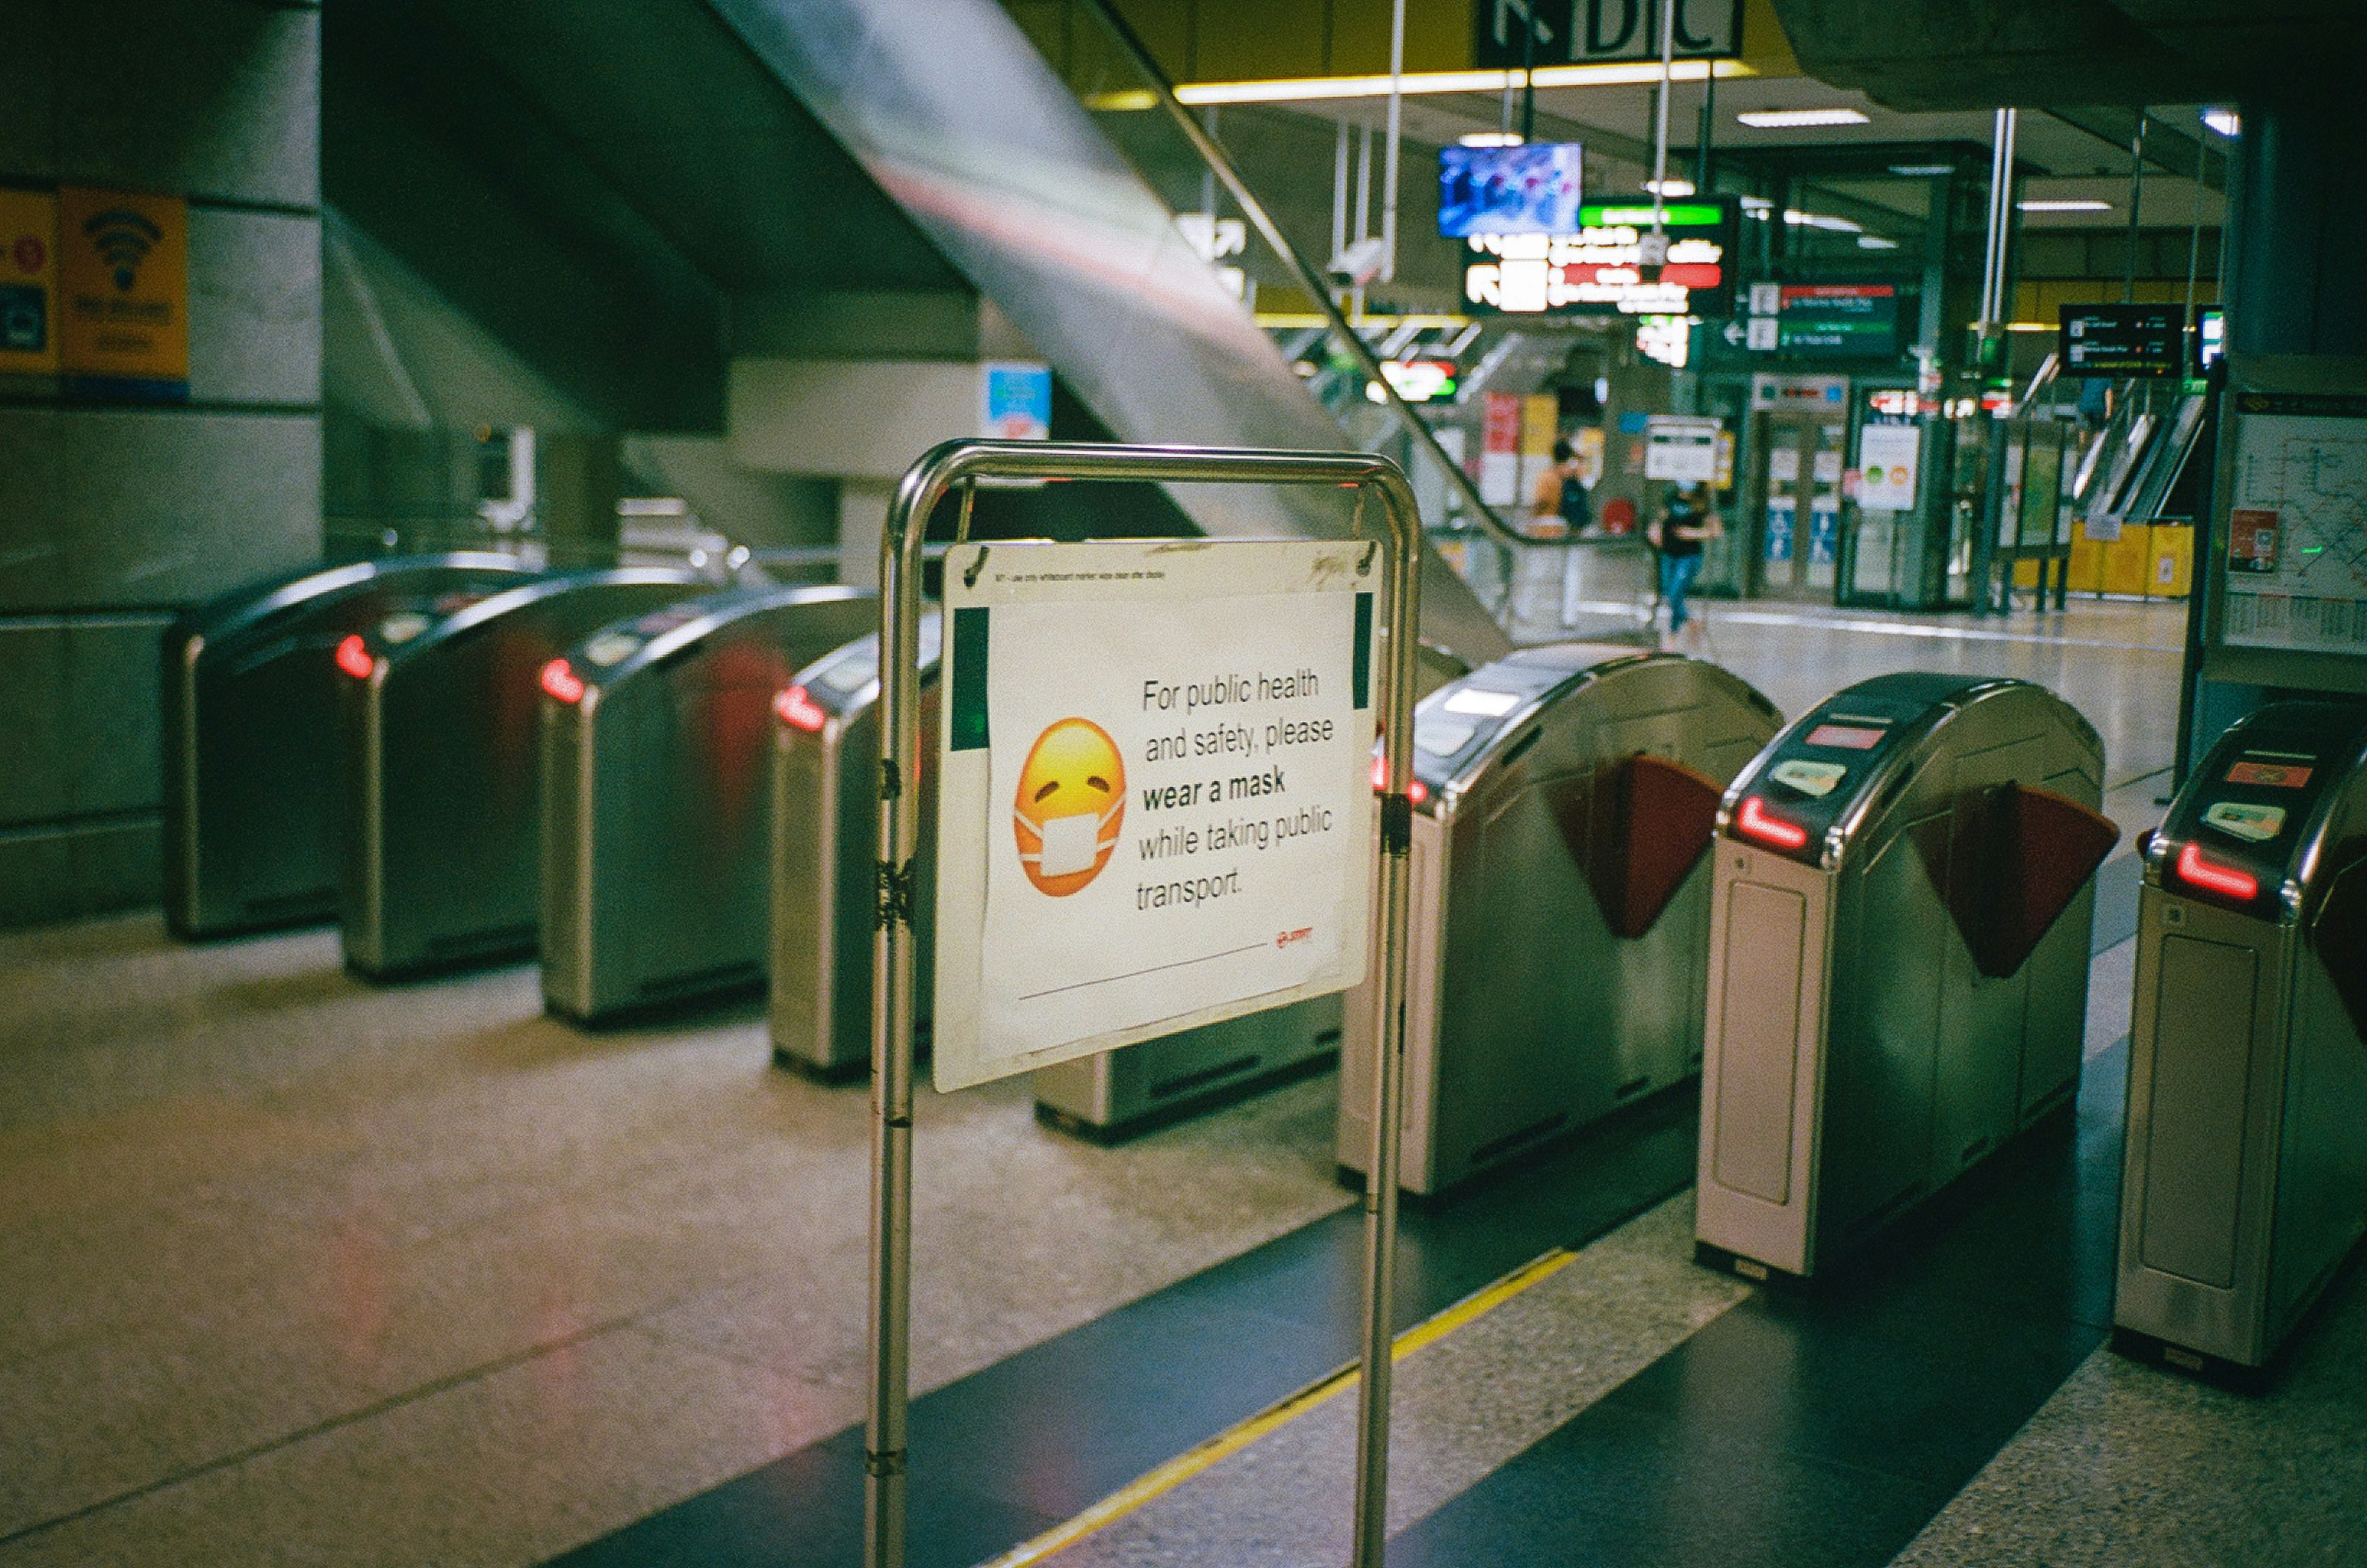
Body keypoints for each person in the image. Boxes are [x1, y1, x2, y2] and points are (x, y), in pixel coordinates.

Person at [1649, 482, 1721, 647]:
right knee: (1669, 592)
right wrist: (1655, 529)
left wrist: (1694, 533)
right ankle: (1691, 621)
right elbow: (1660, 519)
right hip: (1669, 552)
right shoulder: (1670, 498)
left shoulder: (1702, 504)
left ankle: (1672, 635)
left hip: (1689, 556)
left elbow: (1716, 531)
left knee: (1676, 593)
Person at [1529, 438, 1591, 534]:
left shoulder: (1546, 476)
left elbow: (1542, 501)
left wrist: (1533, 516)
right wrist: (1577, 456)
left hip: (1548, 525)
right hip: (1571, 525)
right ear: (1569, 455)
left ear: (1553, 455)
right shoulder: (1576, 473)